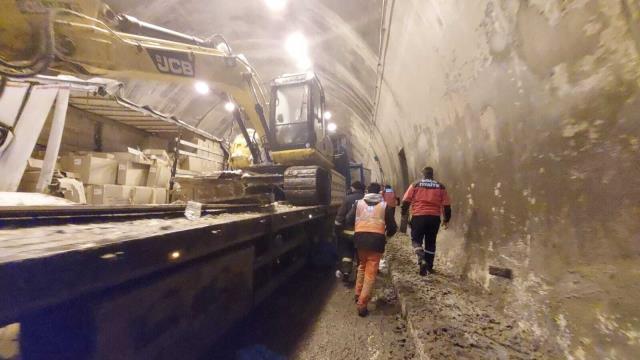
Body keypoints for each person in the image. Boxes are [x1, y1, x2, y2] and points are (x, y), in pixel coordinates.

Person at [346, 182, 397, 316]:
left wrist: (359, 227)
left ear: (367, 191)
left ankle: (358, 294)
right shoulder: (385, 206)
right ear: (380, 192)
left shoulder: (358, 203)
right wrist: (386, 235)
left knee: (361, 266)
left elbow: (348, 219)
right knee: (370, 272)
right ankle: (362, 304)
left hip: (360, 239)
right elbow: (393, 227)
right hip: (376, 241)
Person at [401, 166, 451, 276]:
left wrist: (404, 214)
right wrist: (446, 219)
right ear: (432, 174)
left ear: (423, 174)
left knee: (416, 240)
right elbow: (446, 205)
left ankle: (421, 259)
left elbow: (405, 201)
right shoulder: (440, 186)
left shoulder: (415, 184)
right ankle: (429, 266)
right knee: (431, 242)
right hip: (434, 218)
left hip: (419, 216)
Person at [334, 181, 365, 281]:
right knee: (360, 254)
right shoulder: (366, 199)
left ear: (353, 188)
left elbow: (340, 216)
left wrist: (337, 229)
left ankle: (346, 272)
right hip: (362, 232)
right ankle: (360, 276)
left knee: (347, 252)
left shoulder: (347, 199)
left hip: (348, 232)